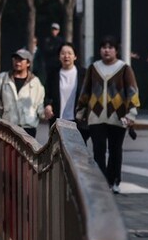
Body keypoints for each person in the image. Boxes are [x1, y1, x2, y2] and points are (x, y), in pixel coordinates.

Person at [76, 35, 139, 194]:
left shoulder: (124, 69)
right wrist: (81, 110)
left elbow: (132, 92)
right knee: (98, 149)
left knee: (115, 150)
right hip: (96, 117)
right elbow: (86, 90)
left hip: (119, 116)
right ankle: (101, 181)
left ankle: (114, 181)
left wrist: (132, 113)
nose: (107, 50)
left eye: (110, 47)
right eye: (104, 47)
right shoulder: (94, 68)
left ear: (116, 50)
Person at [0, 47, 45, 138]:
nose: (17, 62)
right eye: (15, 59)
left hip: (28, 128)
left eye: (21, 60)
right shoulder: (3, 78)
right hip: (8, 126)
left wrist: (44, 113)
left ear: (28, 63)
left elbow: (40, 103)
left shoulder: (35, 82)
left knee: (25, 152)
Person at [43, 41, 87, 144]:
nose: (66, 56)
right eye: (63, 53)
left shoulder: (84, 74)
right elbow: (47, 93)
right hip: (58, 120)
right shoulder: (53, 74)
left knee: (77, 151)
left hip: (78, 120)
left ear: (75, 56)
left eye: (69, 53)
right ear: (59, 56)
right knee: (58, 151)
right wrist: (48, 105)